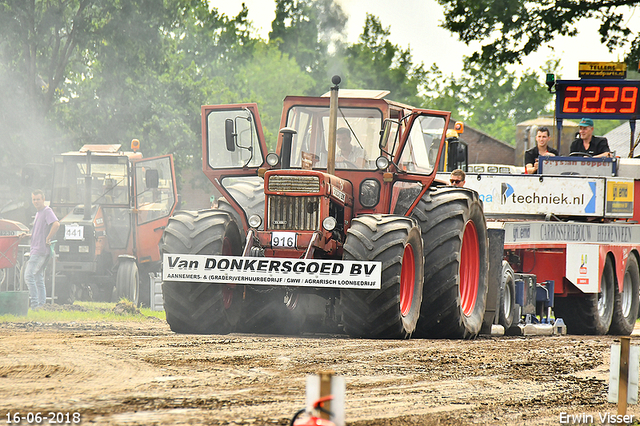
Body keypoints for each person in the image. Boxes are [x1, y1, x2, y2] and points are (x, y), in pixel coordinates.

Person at [23, 189, 60, 309]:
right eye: (34, 199)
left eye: (38, 199)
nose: (36, 201)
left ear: (43, 199)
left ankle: (34, 305)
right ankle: (41, 306)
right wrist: (28, 235)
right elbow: (39, 232)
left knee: (28, 276)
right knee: (38, 278)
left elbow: (56, 224)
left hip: (40, 251)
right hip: (37, 249)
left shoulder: (47, 211)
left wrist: (48, 238)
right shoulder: (38, 213)